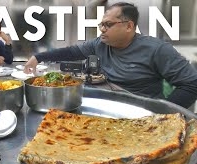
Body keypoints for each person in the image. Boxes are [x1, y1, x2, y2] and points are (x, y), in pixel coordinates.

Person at [24, 2, 197, 109]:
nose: (102, 29)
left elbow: (192, 84)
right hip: (109, 103)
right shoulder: (100, 43)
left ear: (129, 26)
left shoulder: (157, 49)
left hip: (141, 110)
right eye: (101, 24)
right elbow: (71, 52)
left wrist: (163, 111)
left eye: (108, 24)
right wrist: (39, 57)